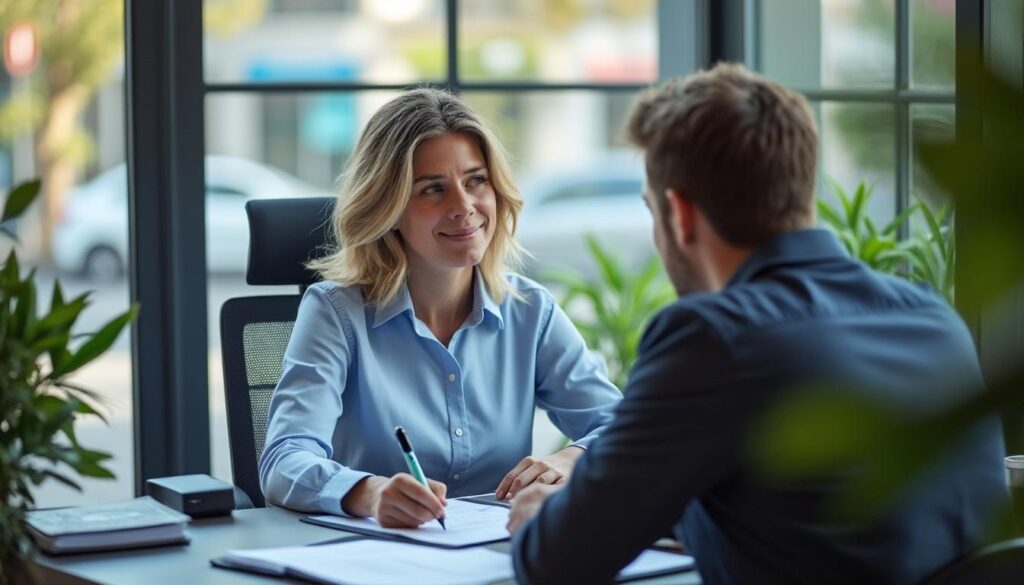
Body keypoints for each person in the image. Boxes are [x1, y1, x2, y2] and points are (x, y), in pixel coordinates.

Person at [508, 64, 1007, 585]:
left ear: (679, 214)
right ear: (801, 190)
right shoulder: (932, 316)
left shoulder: (713, 338)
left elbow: (557, 562)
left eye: (651, 211)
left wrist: (538, 516)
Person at [258, 87, 621, 529]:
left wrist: (572, 458)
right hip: (380, 559)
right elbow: (283, 460)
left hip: (496, 558)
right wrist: (369, 493)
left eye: (476, 181)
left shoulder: (531, 311)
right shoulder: (335, 314)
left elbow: (625, 428)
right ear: (388, 207)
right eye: (433, 189)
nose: (464, 207)